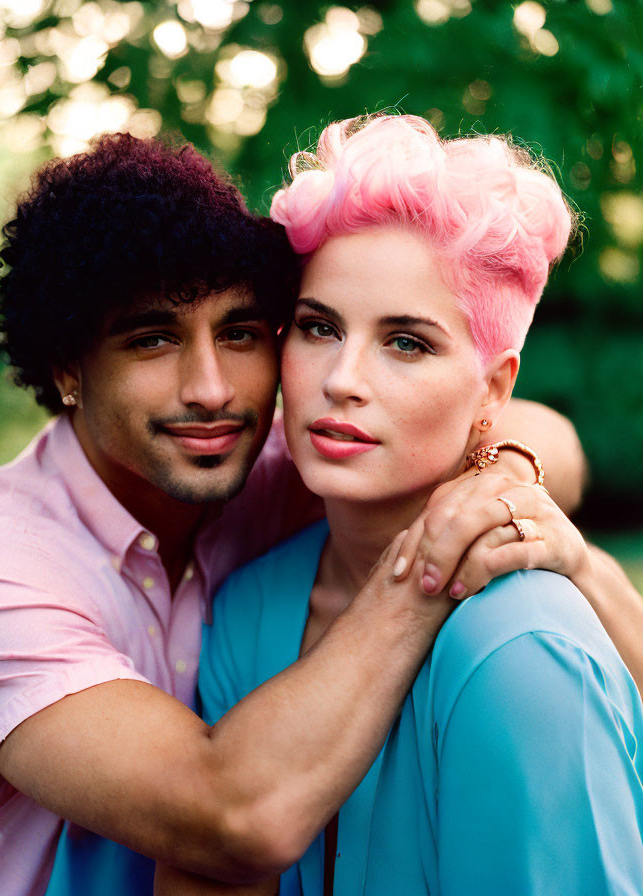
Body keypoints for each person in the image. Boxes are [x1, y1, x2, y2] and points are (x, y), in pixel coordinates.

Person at [0, 131, 625, 896]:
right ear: (67, 366)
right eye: (152, 339)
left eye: (239, 333)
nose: (211, 389)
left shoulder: (281, 460)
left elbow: (543, 435)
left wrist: (502, 475)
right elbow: (226, 816)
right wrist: (430, 562)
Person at [157, 115, 643, 894]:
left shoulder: (521, 650)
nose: (342, 378)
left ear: (494, 387)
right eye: (319, 328)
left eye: (406, 342)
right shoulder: (247, 607)